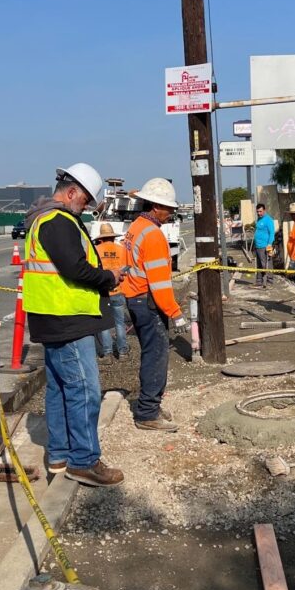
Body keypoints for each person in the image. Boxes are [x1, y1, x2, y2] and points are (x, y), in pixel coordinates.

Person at [22, 163, 125, 487]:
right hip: (67, 320)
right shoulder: (58, 221)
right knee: (83, 390)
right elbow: (74, 268)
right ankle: (84, 461)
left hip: (52, 319)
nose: (86, 210)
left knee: (60, 390)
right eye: (85, 203)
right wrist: (108, 277)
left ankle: (60, 456)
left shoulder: (43, 219)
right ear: (71, 193)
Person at [120, 178, 187, 432]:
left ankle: (152, 405)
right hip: (148, 303)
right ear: (155, 206)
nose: (170, 213)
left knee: (152, 352)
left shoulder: (136, 227)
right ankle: (147, 412)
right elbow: (159, 285)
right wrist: (175, 313)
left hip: (135, 299)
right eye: (168, 208)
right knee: (156, 355)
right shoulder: (154, 236)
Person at [94, 223, 130, 361]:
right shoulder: (120, 250)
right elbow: (126, 268)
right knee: (119, 323)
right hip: (118, 291)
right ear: (113, 237)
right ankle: (122, 353)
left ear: (101, 239)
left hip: (103, 293)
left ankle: (107, 353)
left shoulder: (96, 250)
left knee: (104, 325)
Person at [253, 203, 276, 287]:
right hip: (257, 246)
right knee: (259, 264)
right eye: (257, 212)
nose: (259, 213)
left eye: (260, 211)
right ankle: (259, 281)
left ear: (264, 210)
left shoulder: (268, 220)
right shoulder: (259, 219)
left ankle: (270, 281)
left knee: (267, 264)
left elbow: (272, 233)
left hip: (265, 246)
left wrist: (269, 244)